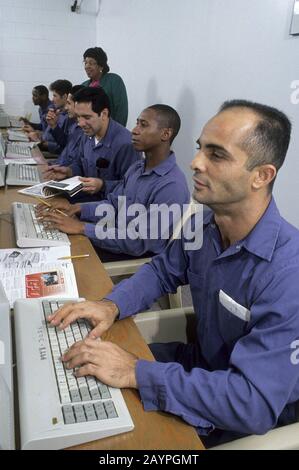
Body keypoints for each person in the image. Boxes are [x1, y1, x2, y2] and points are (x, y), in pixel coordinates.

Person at [46, 100, 299, 447]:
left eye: (217, 155)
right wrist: (111, 305)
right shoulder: (204, 225)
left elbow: (252, 402)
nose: (195, 162)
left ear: (262, 175)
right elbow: (163, 271)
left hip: (236, 405)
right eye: (199, 149)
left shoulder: (289, 272)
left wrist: (136, 372)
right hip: (199, 365)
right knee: (76, 365)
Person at [39, 104, 190, 260]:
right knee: (53, 237)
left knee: (59, 254)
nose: (135, 130)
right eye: (137, 123)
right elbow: (113, 205)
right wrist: (77, 208)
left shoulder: (172, 186)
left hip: (136, 254)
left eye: (143, 125)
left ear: (165, 134)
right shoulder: (137, 168)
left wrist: (82, 227)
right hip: (115, 234)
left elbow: (138, 241)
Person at [44, 87, 140, 200]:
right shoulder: (87, 134)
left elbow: (131, 188)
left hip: (108, 207)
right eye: (78, 117)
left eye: (86, 117)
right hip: (86, 197)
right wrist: (69, 171)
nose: (80, 123)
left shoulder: (126, 144)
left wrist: (102, 185)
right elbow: (80, 163)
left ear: (104, 114)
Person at [81, 47, 128, 126]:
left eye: (91, 63)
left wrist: (115, 133)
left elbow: (121, 111)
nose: (87, 66)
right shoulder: (83, 86)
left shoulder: (114, 80)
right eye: (85, 63)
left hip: (110, 132)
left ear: (101, 66)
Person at [53, 85, 85, 166]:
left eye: (69, 103)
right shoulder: (74, 126)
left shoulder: (86, 131)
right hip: (58, 165)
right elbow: (65, 146)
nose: (66, 108)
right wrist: (53, 125)